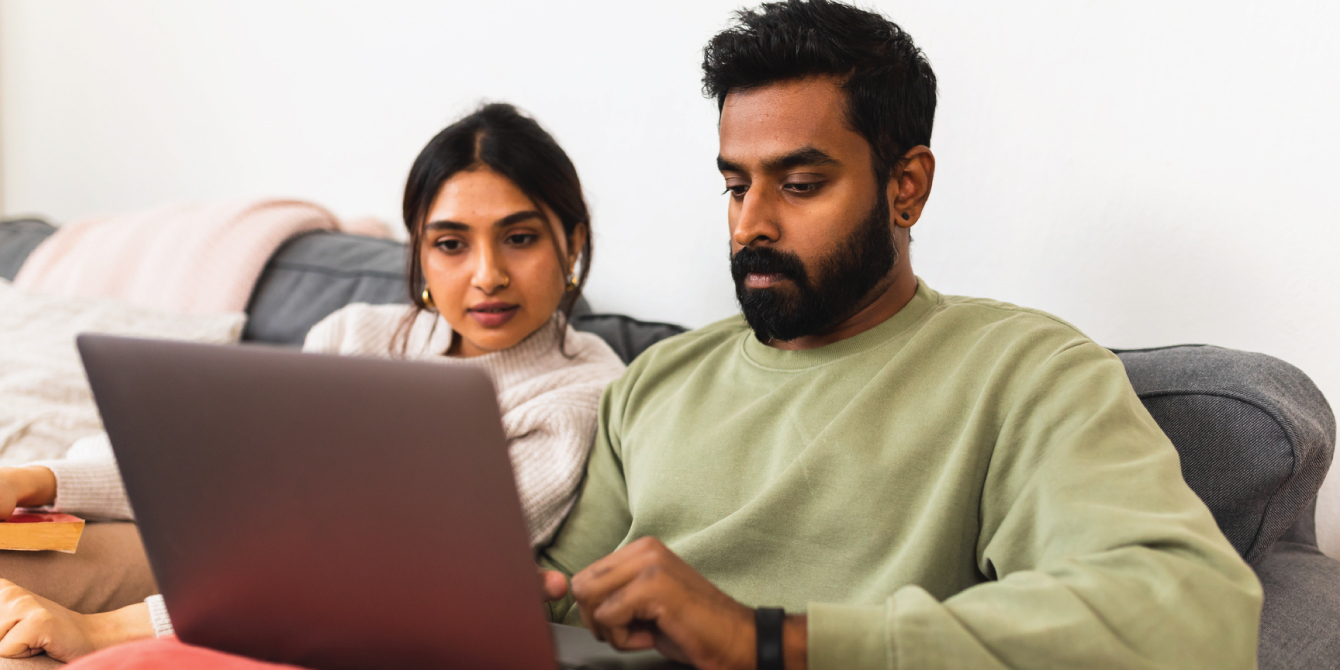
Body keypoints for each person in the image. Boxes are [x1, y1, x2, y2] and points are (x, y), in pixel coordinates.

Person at [48, 1, 1263, 668]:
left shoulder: (1021, 369)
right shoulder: (659, 383)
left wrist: (771, 636)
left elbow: (1188, 613)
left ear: (905, 186)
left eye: (798, 181)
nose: (750, 220)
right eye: (733, 181)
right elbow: (550, 603)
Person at [0, 102, 626, 662]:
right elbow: (212, 465)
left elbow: (387, 572)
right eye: (451, 244)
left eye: (518, 238)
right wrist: (36, 481)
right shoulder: (354, 333)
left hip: (293, 606)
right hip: (211, 547)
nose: (487, 275)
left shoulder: (577, 394)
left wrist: (109, 630)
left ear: (572, 243)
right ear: (421, 254)